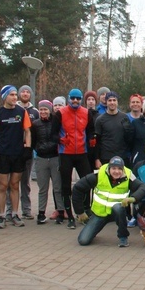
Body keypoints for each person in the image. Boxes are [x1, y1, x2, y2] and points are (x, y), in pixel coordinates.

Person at [73, 156, 145, 247]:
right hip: (100, 213)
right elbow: (77, 188)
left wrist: (133, 198)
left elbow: (144, 188)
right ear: (109, 168)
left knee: (118, 208)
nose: (116, 171)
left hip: (117, 212)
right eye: (114, 168)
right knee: (83, 241)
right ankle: (94, 230)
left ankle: (123, 237)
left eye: (120, 168)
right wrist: (80, 212)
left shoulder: (128, 175)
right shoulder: (99, 174)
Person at [0, 85, 32, 229]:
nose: (15, 97)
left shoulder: (21, 112)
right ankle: (1, 215)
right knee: (3, 185)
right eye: (11, 95)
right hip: (3, 154)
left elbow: (27, 131)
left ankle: (14, 213)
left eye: (15, 95)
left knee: (14, 185)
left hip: (18, 154)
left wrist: (27, 148)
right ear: (4, 97)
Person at [50, 88, 93, 228]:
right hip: (65, 153)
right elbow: (52, 134)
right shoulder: (60, 113)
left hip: (82, 152)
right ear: (68, 98)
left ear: (81, 100)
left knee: (87, 183)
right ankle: (69, 216)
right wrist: (60, 140)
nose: (75, 101)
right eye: (73, 98)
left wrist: (92, 138)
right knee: (65, 185)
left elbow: (91, 130)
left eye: (78, 98)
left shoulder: (86, 113)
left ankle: (84, 211)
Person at [31, 100, 62, 224]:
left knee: (57, 187)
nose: (43, 112)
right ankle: (41, 213)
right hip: (41, 158)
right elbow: (33, 141)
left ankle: (60, 211)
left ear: (50, 110)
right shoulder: (35, 124)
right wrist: (38, 149)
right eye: (41, 109)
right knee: (42, 188)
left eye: (45, 109)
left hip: (55, 157)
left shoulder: (56, 122)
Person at [13, 84, 39, 220]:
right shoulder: (13, 109)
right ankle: (11, 210)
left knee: (25, 182)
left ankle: (26, 209)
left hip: (28, 152)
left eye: (27, 92)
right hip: (13, 151)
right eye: (22, 91)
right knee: (12, 182)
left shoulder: (35, 112)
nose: (25, 93)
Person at [94, 91, 134, 168]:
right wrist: (97, 159)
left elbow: (129, 140)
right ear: (106, 102)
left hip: (122, 157)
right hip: (106, 157)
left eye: (114, 100)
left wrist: (128, 131)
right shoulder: (100, 119)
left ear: (117, 102)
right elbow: (97, 142)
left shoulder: (124, 118)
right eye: (110, 100)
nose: (112, 103)